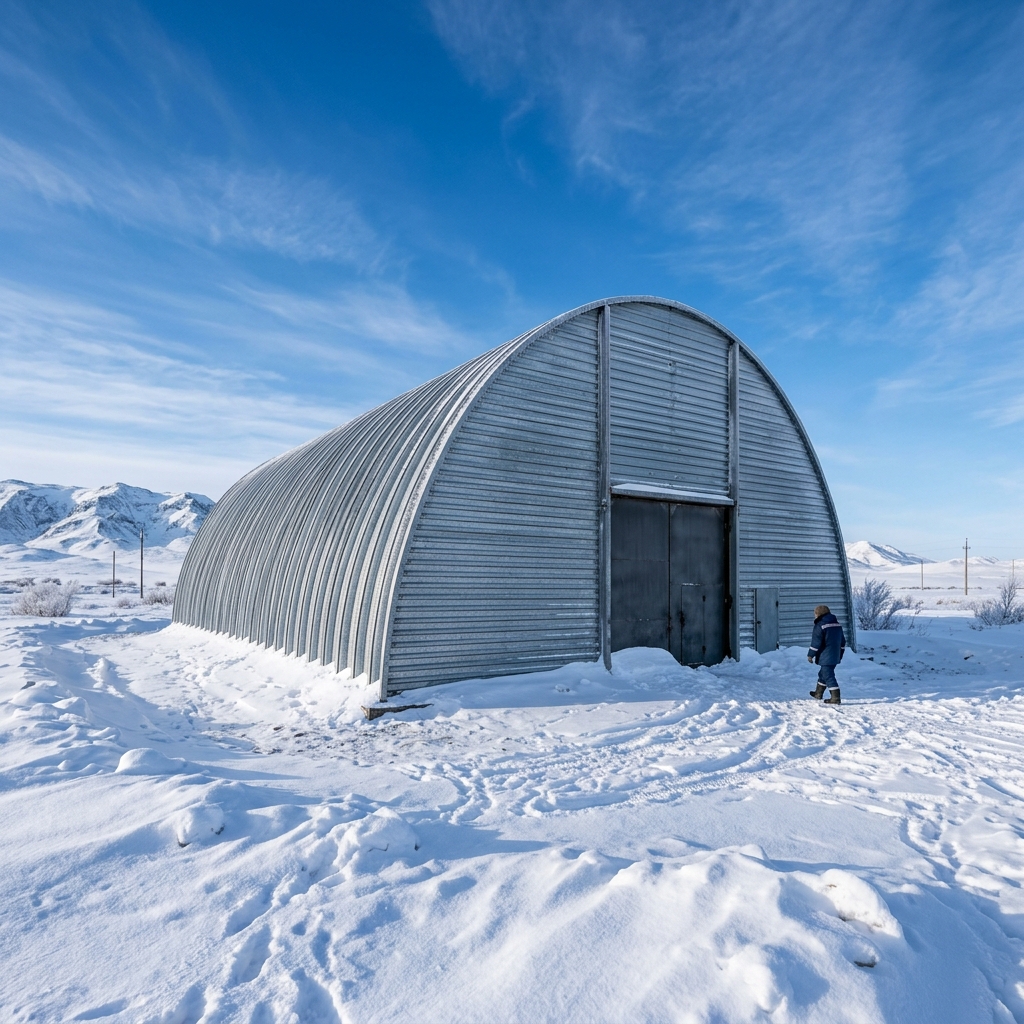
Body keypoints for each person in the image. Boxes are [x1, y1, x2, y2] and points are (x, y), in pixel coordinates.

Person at [808, 604, 845, 705]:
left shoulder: (820, 625)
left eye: (815, 614)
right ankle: (818, 693)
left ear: (818, 614)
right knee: (823, 674)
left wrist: (810, 655)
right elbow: (842, 642)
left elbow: (816, 643)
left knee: (828, 676)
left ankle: (835, 697)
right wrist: (840, 653)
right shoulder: (837, 624)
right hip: (835, 655)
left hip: (826, 655)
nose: (814, 616)